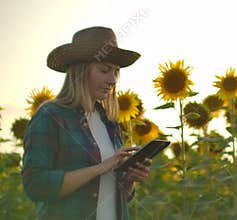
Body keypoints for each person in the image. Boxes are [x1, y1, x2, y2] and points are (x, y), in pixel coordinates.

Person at [21, 26, 152, 220]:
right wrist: (100, 168)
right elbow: (36, 185)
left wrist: (130, 180)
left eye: (116, 72)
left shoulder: (110, 123)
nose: (112, 79)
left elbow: (116, 195)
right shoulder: (51, 116)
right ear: (80, 72)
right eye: (104, 70)